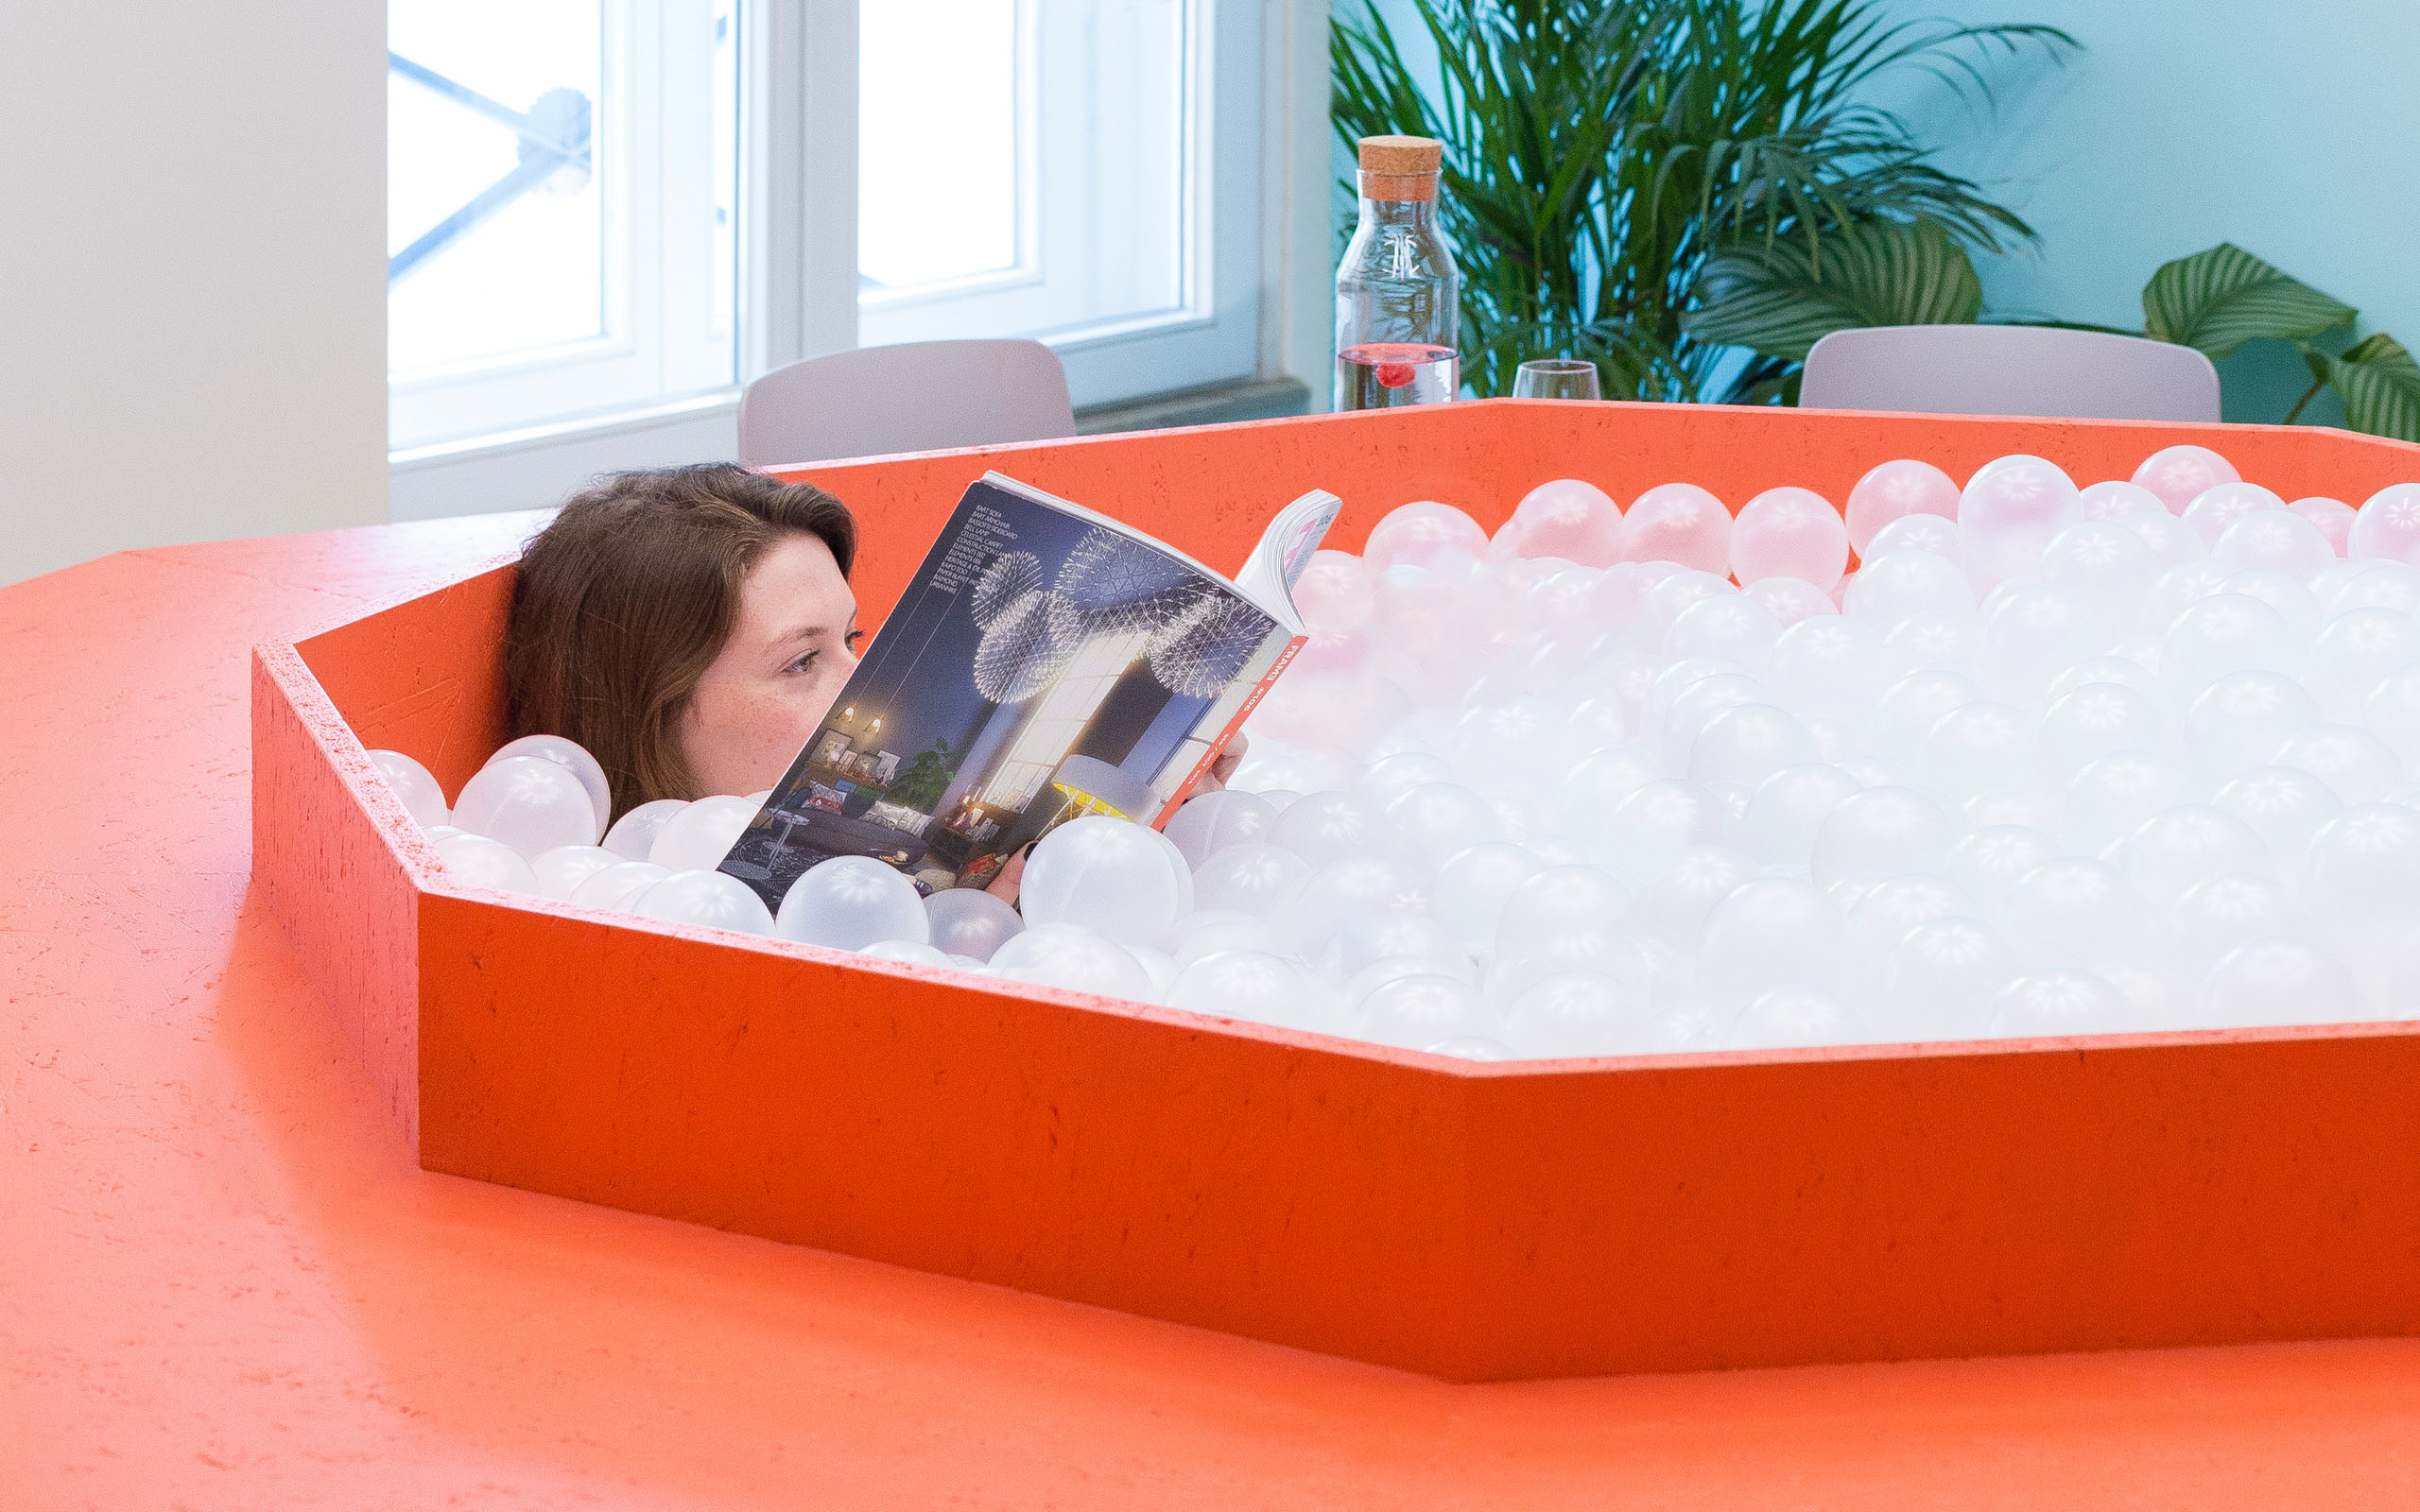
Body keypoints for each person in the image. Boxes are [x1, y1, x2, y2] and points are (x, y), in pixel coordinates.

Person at [503, 464, 1242, 899]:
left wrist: (1169, 837)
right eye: (800, 663)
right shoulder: (596, 907)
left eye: (853, 640)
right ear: (648, 709)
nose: (866, 694)